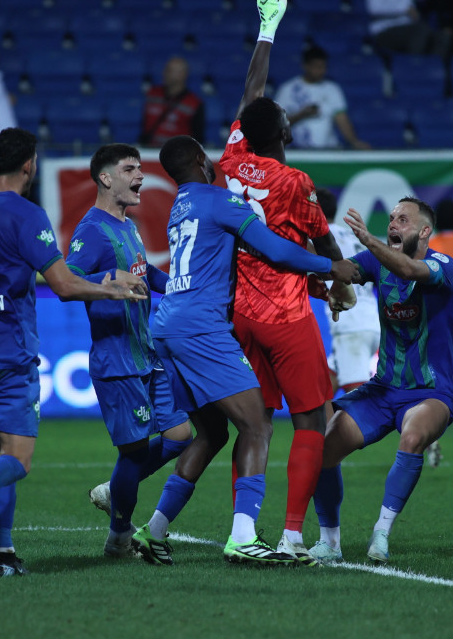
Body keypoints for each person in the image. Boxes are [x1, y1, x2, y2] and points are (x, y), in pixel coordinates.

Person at [0, 128, 148, 576]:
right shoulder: (26, 214)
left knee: (4, 453)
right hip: (11, 351)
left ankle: (3, 555)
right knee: (18, 460)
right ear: (28, 165)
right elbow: (64, 285)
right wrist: (112, 289)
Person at [129, 132, 355, 567]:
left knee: (213, 433)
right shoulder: (220, 200)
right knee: (257, 426)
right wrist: (331, 267)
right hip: (201, 328)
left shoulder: (181, 207)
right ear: (201, 160)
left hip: (167, 324)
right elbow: (274, 250)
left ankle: (153, 530)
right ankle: (243, 537)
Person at [216, 0, 358, 565]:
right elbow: (323, 239)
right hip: (284, 313)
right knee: (311, 420)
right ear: (287, 135)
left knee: (256, 425)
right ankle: (293, 535)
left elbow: (250, 93)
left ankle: (242, 528)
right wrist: (339, 281)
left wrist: (266, 31)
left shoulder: (230, 161)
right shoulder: (295, 182)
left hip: (239, 314)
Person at [302, 198, 453, 564]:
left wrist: (368, 239)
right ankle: (329, 542)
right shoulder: (376, 262)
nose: (393, 224)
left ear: (424, 231)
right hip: (383, 388)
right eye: (391, 218)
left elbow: (409, 269)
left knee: (413, 436)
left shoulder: (443, 265)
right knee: (324, 450)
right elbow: (340, 270)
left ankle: (381, 533)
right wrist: (300, 243)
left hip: (430, 391)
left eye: (403, 220)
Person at [66, 143, 194, 558]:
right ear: (105, 178)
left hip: (147, 354)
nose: (140, 175)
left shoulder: (128, 226)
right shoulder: (92, 229)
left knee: (180, 436)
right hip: (117, 360)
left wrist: (180, 287)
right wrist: (107, 277)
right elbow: (67, 279)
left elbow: (144, 272)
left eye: (140, 168)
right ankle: (119, 535)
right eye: (129, 169)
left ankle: (114, 489)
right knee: (135, 452)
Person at [320, 190, 380, 397]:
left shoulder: (320, 238)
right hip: (370, 320)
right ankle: (320, 421)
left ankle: (373, 419)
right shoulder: (350, 236)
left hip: (351, 326)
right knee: (323, 387)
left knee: (356, 396)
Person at [273, 46, 369, 150]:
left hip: (328, 150)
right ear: (305, 66)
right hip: (297, 151)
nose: (321, 71)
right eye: (317, 67)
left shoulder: (332, 89)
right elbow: (276, 125)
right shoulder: (287, 89)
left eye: (323, 67)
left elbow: (342, 119)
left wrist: (354, 141)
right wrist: (301, 115)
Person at [362, 0, 451, 57]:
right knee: (420, 31)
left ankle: (433, 67)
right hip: (384, 29)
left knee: (443, 36)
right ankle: (413, 64)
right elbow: (374, 8)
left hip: (409, 25)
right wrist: (404, 9)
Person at [139, 56, 205, 147]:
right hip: (151, 149)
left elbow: (197, 136)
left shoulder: (194, 103)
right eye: (167, 69)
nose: (167, 74)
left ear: (184, 74)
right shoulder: (152, 95)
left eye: (173, 71)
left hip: (177, 152)